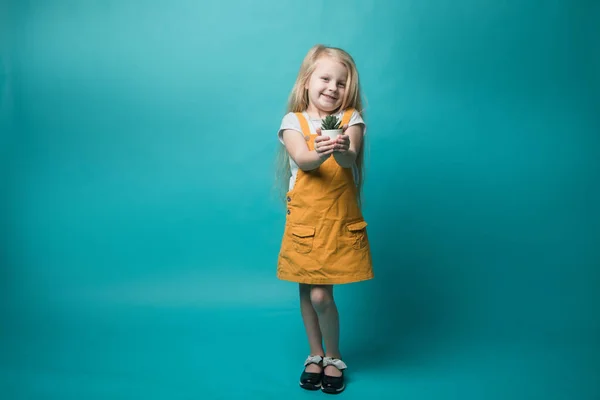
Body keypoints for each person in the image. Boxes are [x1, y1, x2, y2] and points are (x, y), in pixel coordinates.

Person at [274, 44, 374, 394]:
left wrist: (343, 147)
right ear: (307, 82)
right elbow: (303, 159)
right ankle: (314, 354)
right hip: (305, 222)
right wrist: (321, 148)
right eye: (326, 78)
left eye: (342, 82)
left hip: (337, 221)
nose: (333, 87)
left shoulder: (352, 119)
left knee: (320, 296)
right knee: (306, 290)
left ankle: (333, 356)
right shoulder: (293, 122)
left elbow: (348, 162)